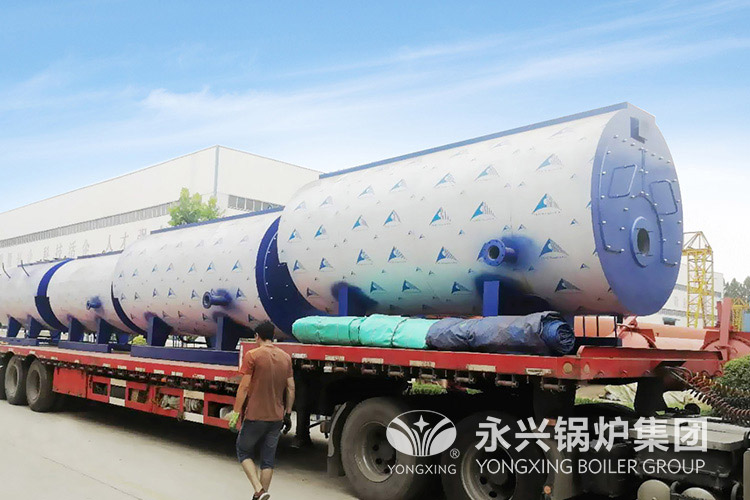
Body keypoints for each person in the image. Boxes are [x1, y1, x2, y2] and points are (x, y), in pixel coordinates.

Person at [228, 321, 294, 500]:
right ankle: (261, 496)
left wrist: (235, 412)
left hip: (255, 415)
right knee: (268, 460)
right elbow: (291, 388)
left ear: (257, 336)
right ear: (272, 336)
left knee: (243, 451)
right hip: (276, 417)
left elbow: (244, 387)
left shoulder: (253, 355)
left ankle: (259, 490)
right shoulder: (285, 357)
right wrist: (288, 413)